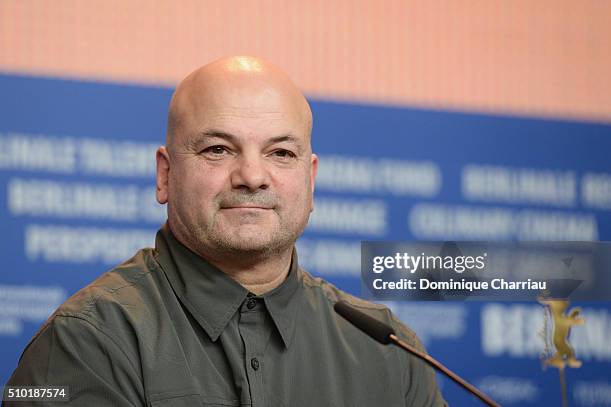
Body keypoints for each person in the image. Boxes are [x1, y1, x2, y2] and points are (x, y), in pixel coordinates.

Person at [5, 56, 446, 406]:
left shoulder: (390, 351)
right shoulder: (88, 339)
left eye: (281, 153)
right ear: (165, 175)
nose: (252, 176)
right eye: (218, 149)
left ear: (310, 181)